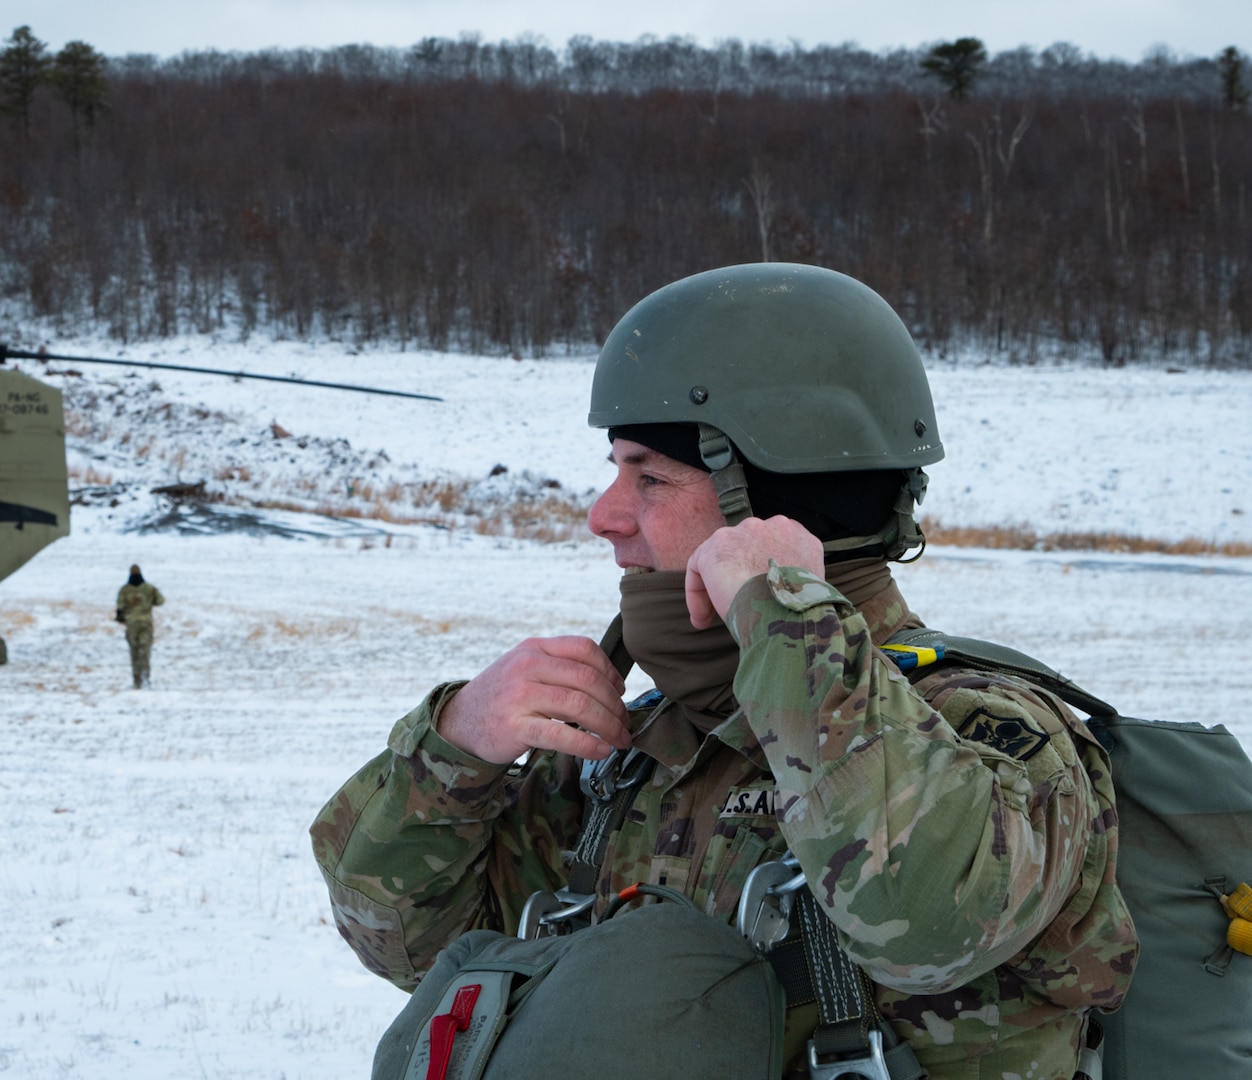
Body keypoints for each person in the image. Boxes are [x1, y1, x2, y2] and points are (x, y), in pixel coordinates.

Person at [311, 263, 1137, 1079]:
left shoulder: (995, 735)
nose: (604, 517)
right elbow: (408, 946)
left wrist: (789, 621)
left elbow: (924, 923)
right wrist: (452, 752)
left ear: (777, 504)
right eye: (615, 471)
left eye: (651, 478)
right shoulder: (629, 754)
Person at [115, 563, 165, 689]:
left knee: (134, 652)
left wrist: (123, 617)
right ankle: (146, 677)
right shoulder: (149, 588)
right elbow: (161, 601)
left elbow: (120, 607)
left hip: (131, 624)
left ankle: (136, 680)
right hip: (146, 623)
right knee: (145, 652)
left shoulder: (124, 590)